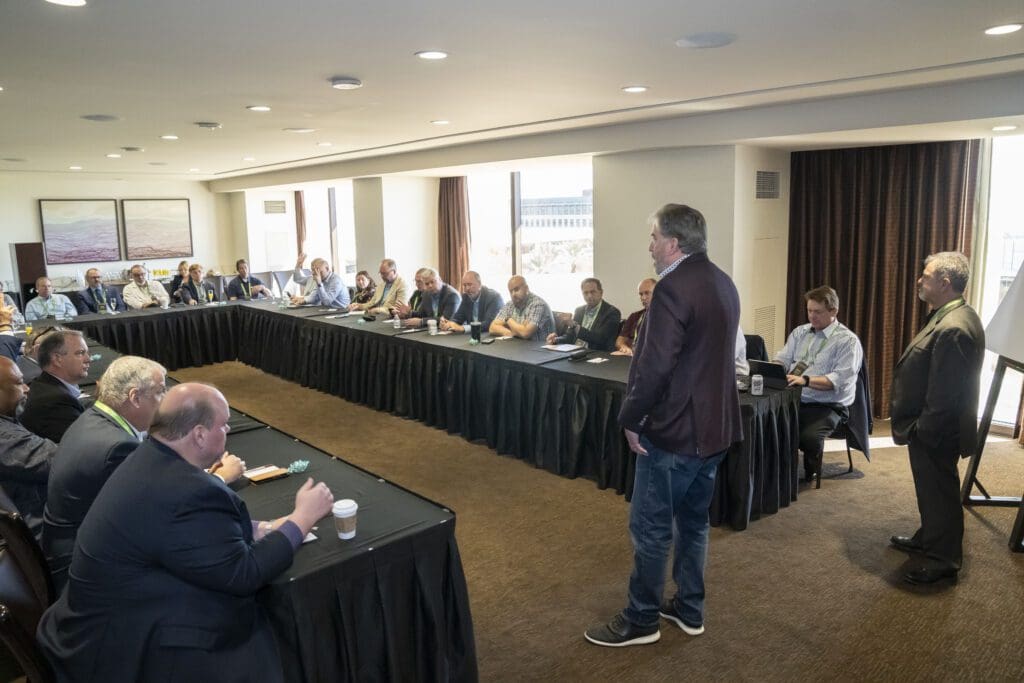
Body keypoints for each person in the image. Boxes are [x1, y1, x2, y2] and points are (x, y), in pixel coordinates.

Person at [36, 383, 335, 682]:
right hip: (118, 645)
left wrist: (264, 528)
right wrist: (302, 519)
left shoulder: (148, 458)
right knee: (259, 627)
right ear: (199, 434)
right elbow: (245, 574)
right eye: (223, 424)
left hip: (94, 619)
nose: (229, 429)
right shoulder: (187, 491)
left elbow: (188, 535)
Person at [585, 204, 742, 648]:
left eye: (654, 238)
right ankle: (690, 609)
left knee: (651, 529)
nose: (650, 246)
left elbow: (654, 368)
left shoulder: (672, 289)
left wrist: (631, 419)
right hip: (715, 430)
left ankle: (641, 619)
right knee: (693, 524)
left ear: (673, 243)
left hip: (674, 432)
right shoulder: (723, 281)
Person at [889, 251, 984, 586]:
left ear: (945, 283)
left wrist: (922, 430)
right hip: (933, 427)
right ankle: (929, 537)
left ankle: (943, 558)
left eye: (926, 276)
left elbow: (945, 395)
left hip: (936, 430)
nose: (919, 280)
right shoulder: (949, 314)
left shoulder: (954, 327)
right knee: (932, 491)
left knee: (940, 492)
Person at [42, 356, 168, 591]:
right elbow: (153, 512)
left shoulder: (93, 417)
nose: (165, 400)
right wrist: (216, 480)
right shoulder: (117, 447)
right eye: (160, 391)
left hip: (65, 545)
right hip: (83, 569)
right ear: (135, 397)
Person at [774, 286, 863, 483]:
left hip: (828, 405)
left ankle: (811, 467)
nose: (812, 316)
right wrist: (775, 368)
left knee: (808, 438)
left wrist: (805, 380)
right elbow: (784, 358)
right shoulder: (800, 332)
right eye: (809, 311)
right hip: (794, 398)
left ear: (833, 311)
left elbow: (839, 380)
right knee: (769, 425)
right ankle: (778, 471)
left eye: (818, 312)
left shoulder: (847, 341)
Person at [0, 356, 56, 539]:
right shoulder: (7, 439)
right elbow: (63, 461)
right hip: (46, 533)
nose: (26, 388)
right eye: (19, 383)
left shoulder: (8, 423)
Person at [19, 329, 91, 443]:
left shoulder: (43, 384)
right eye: (80, 353)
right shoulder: (55, 401)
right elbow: (86, 443)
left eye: (87, 353)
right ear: (57, 359)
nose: (88, 359)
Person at [546, 278, 622, 351]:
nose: (589, 296)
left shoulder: (612, 312)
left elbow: (600, 339)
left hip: (596, 353)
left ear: (601, 293)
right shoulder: (579, 310)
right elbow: (570, 337)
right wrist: (555, 340)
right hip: (575, 352)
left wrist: (575, 326)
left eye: (593, 292)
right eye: (586, 293)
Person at [489, 276, 555, 341]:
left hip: (540, 347)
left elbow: (526, 333)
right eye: (511, 291)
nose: (513, 294)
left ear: (526, 288)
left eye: (516, 289)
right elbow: (492, 328)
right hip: (520, 345)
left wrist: (508, 320)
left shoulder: (538, 304)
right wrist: (511, 332)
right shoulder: (510, 304)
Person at [440, 271, 504, 334]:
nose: (467, 288)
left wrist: (463, 328)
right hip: (473, 336)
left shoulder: (494, 297)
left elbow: (489, 323)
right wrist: (449, 324)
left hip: (489, 335)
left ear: (479, 284)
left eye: (469, 284)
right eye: (464, 285)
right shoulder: (466, 297)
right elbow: (458, 318)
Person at [614, 278, 657, 355]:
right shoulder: (635, 316)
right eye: (641, 294)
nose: (643, 298)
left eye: (647, 293)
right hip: (631, 357)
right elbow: (619, 341)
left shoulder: (667, 318)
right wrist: (624, 347)